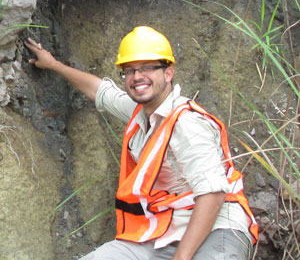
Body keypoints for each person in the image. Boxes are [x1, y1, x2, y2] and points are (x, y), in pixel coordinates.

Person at [25, 26, 258, 260]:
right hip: (165, 229)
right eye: (130, 70)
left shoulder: (187, 123)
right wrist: (54, 65)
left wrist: (181, 258)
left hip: (218, 228)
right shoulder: (142, 113)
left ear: (168, 73)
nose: (137, 77)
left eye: (148, 68)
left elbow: (212, 194)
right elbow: (101, 92)